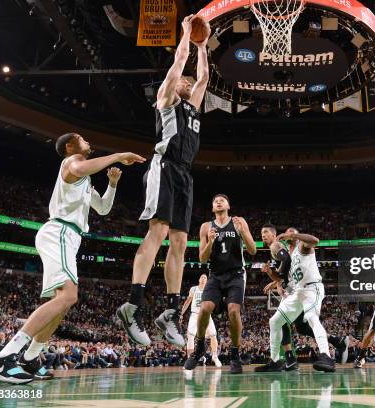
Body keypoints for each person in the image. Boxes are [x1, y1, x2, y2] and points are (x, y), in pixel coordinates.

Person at [0, 133, 144, 384]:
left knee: (63, 303)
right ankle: (4, 357)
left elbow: (102, 209)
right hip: (60, 232)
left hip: (69, 237)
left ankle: (29, 359)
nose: (88, 141)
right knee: (69, 296)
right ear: (70, 146)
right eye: (82, 138)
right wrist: (120, 156)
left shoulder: (84, 180)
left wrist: (112, 184)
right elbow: (82, 166)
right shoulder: (72, 162)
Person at [117, 14, 211, 347]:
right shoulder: (166, 99)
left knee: (180, 244)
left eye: (188, 81)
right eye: (182, 80)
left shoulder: (193, 106)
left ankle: (170, 312)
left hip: (185, 174)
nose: (187, 81)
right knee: (157, 231)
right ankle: (132, 304)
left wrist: (204, 47)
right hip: (165, 166)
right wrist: (187, 36)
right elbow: (180, 62)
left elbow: (203, 78)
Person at [256, 224, 348, 372]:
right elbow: (280, 278)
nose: (288, 234)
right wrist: (269, 272)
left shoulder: (302, 247)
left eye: (292, 233)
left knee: (311, 317)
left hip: (312, 288)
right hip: (298, 293)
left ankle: (326, 356)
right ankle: (275, 361)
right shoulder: (289, 257)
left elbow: (315, 240)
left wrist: (295, 236)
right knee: (275, 322)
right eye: (287, 233)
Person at [184, 194, 256, 374]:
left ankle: (235, 354)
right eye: (215, 200)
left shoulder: (239, 222)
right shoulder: (206, 227)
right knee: (204, 308)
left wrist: (243, 233)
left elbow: (252, 250)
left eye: (222, 200)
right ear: (212, 207)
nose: (218, 201)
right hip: (215, 275)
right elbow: (202, 258)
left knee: (233, 310)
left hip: (236, 274)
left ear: (228, 205)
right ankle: (200, 347)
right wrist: (210, 241)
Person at [181, 274, 222, 367]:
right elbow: (188, 301)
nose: (203, 278)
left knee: (213, 335)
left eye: (205, 278)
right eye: (202, 277)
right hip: (195, 314)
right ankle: (189, 358)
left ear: (207, 281)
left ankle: (215, 357)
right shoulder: (193, 289)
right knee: (190, 336)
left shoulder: (209, 289)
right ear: (199, 279)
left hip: (206, 314)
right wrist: (181, 313)